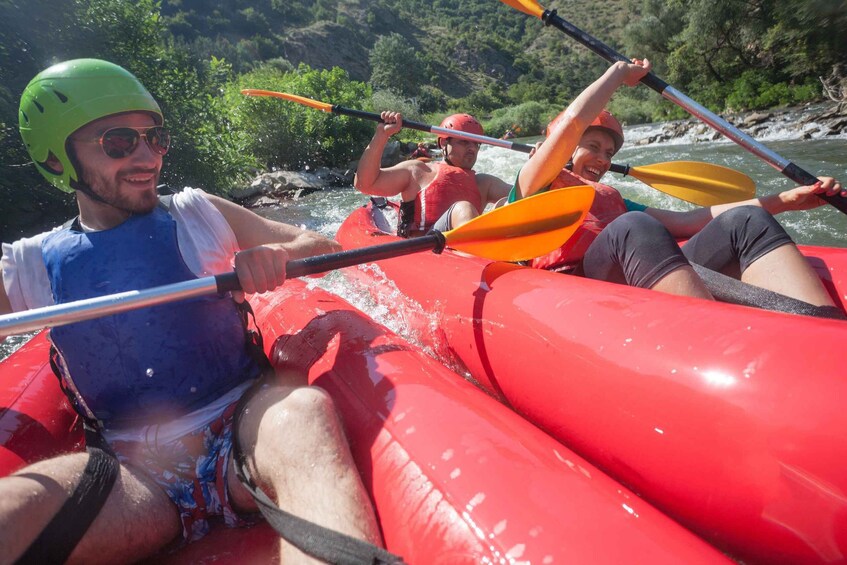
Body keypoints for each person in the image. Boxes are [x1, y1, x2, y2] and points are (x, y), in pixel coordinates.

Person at [0, 59, 385, 563]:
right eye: (119, 142)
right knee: (14, 507)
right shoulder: (27, 264)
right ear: (57, 161)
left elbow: (314, 241)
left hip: (244, 430)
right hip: (133, 476)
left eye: (154, 139)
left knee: (305, 412)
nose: (147, 156)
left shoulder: (197, 211)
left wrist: (276, 256)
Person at [510, 57, 846, 313]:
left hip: (637, 270)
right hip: (574, 293)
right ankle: (725, 341)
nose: (603, 159)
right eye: (593, 147)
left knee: (745, 221)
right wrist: (617, 74)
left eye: (609, 152)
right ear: (564, 147)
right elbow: (573, 123)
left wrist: (785, 199)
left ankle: (824, 332)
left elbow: (689, 222)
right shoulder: (535, 182)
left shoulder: (616, 203)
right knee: (633, 227)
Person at [354, 112, 511, 237]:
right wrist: (382, 135)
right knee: (463, 209)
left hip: (466, 253)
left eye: (476, 143)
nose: (472, 148)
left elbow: (526, 195)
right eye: (464, 142)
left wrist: (535, 163)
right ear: (443, 143)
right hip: (425, 250)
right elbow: (365, 184)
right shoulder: (417, 171)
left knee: (506, 204)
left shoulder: (484, 182)